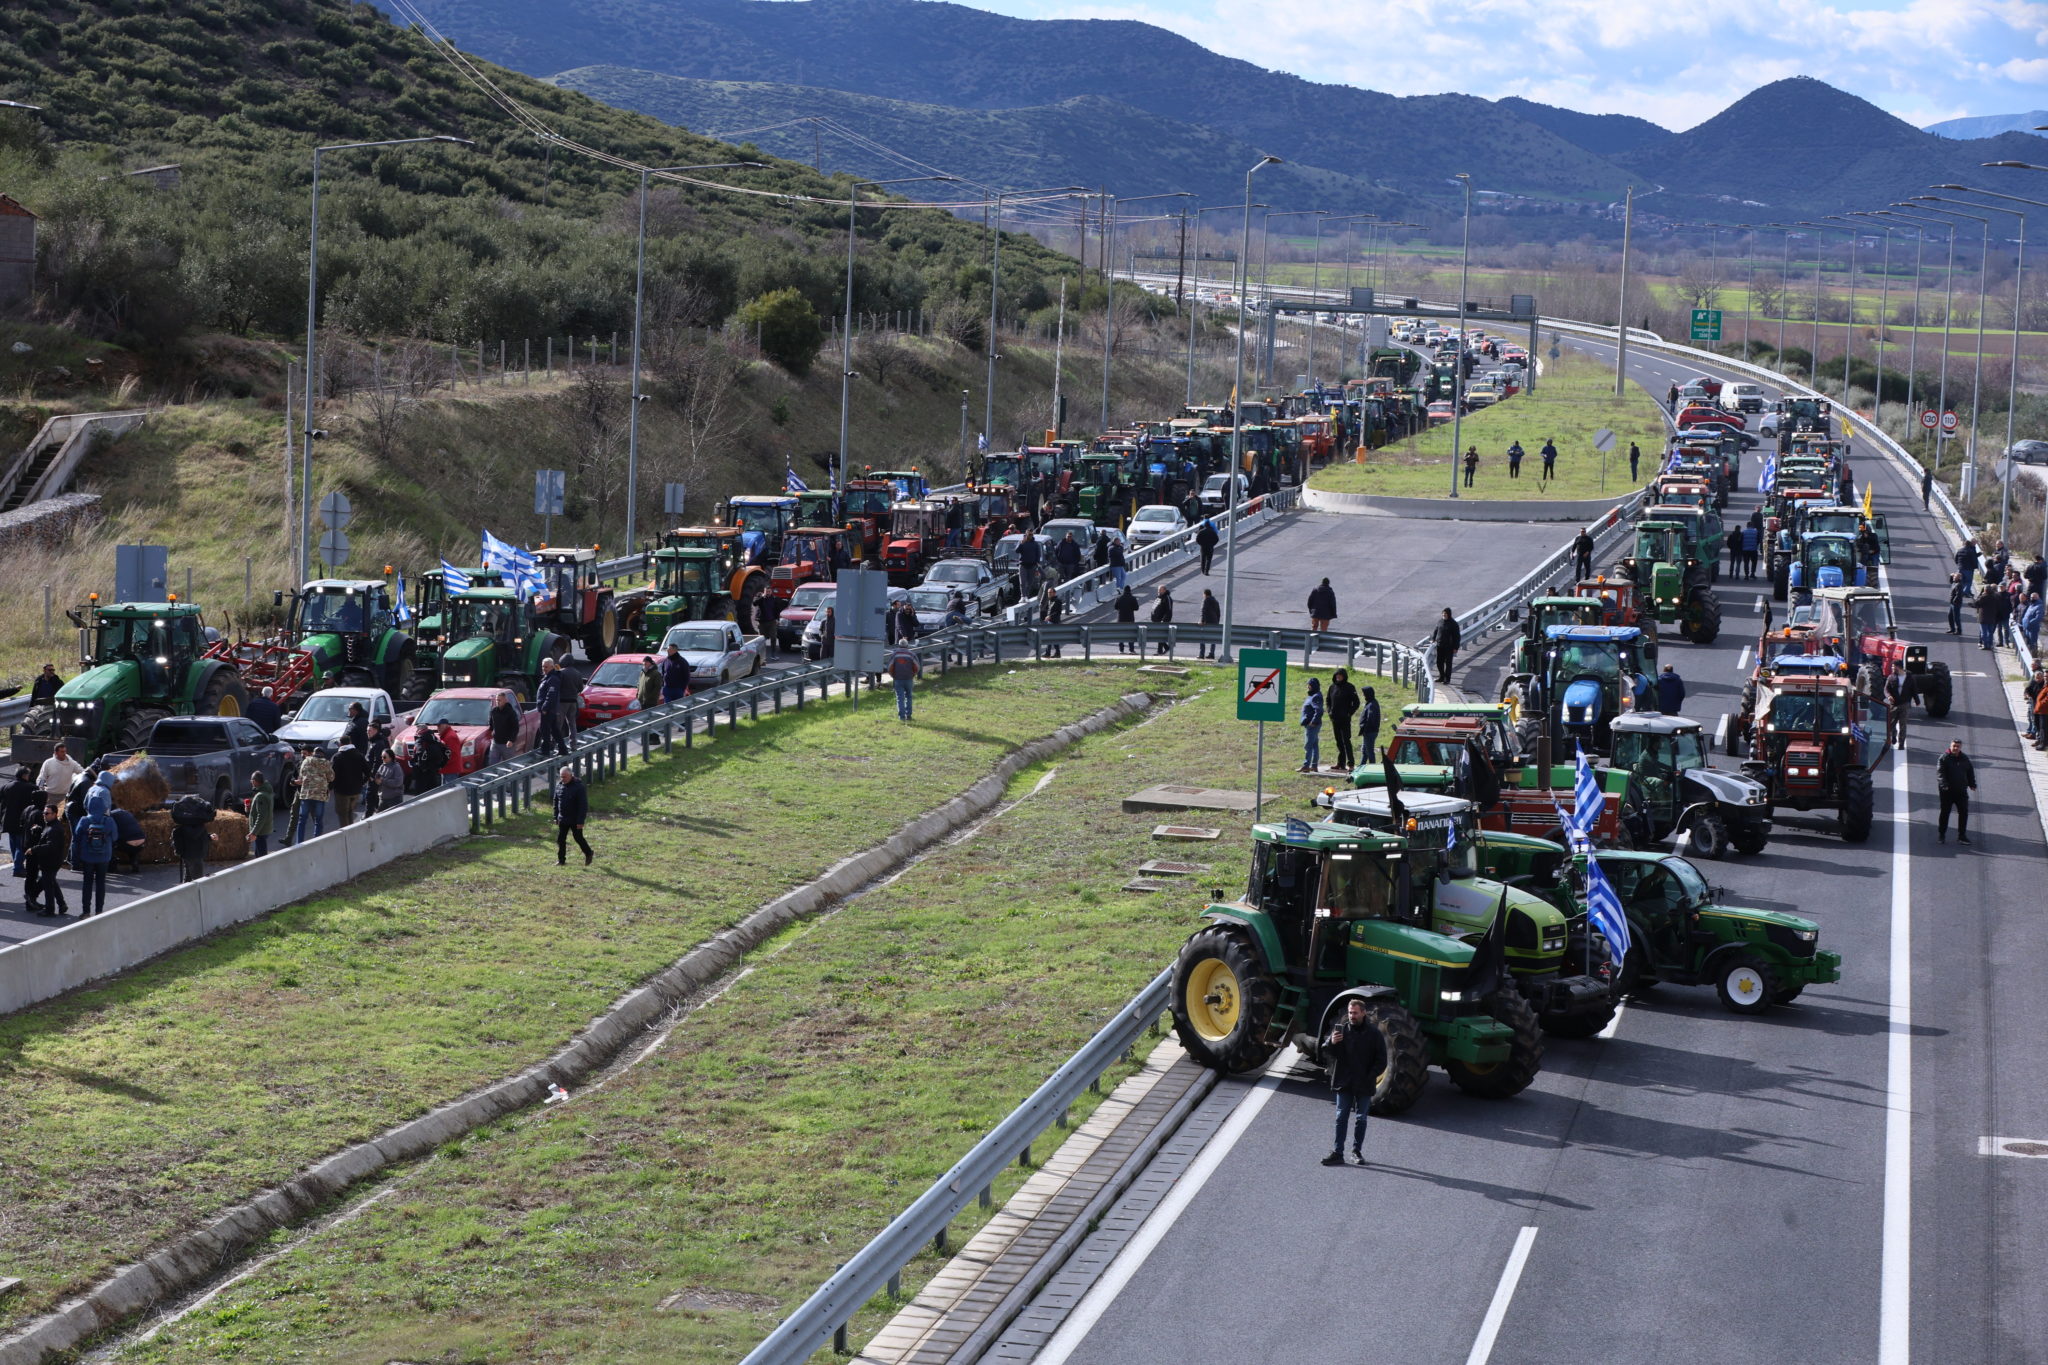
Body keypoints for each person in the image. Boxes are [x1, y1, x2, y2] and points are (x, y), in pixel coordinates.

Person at [1321, 996, 1388, 1167]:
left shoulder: (1374, 1034)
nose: (1352, 1016)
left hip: (1364, 1084)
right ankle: (1338, 1152)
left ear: (1364, 1013)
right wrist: (1332, 1042)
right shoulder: (1342, 1030)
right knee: (1341, 1117)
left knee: (1361, 1118)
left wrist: (1370, 1076)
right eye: (1350, 1013)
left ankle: (1356, 1152)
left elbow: (1382, 1061)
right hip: (1344, 1082)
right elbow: (1326, 1051)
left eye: (1355, 1013)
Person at [25, 805, 66, 916]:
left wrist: (34, 849)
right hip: (51, 860)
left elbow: (51, 846)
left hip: (51, 861)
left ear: (54, 814)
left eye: (47, 813)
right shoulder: (50, 825)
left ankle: (49, 909)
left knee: (48, 886)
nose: (44, 815)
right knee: (51, 882)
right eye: (44, 813)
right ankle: (62, 904)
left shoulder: (54, 829)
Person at [1935, 739, 1975, 844]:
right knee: (1945, 813)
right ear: (1950, 746)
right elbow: (1940, 774)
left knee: (1964, 812)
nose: (1956, 748)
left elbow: (1970, 771)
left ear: (1960, 747)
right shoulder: (1943, 758)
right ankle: (1941, 835)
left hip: (1961, 791)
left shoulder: (1964, 758)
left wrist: (1972, 784)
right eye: (1954, 746)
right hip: (1947, 792)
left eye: (1958, 746)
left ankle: (1962, 836)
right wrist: (1944, 785)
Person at [293, 744, 335, 844]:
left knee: (302, 820)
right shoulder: (326, 763)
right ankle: (317, 842)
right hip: (320, 796)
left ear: (314, 753)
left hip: (306, 794)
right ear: (323, 754)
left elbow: (301, 776)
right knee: (318, 820)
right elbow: (331, 778)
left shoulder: (306, 761)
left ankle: (299, 843)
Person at [554, 766, 592, 866]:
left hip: (575, 819)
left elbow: (583, 805)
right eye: (561, 776)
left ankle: (588, 853)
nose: (563, 779)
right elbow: (556, 802)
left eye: (565, 777)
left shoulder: (579, 787)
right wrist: (555, 816)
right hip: (563, 818)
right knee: (560, 839)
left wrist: (580, 821)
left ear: (571, 775)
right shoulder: (559, 786)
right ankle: (561, 860)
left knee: (578, 838)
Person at [170, 797, 214, 884]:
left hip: (187, 855)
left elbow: (180, 844)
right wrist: (209, 837)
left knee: (188, 877)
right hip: (198, 854)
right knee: (198, 879)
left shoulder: (179, 830)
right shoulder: (201, 828)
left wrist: (179, 852)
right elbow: (199, 838)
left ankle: (185, 889)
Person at [2, 765, 35, 877]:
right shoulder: (30, 788)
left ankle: (17, 864)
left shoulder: (7, 786)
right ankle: (18, 868)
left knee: (13, 844)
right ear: (24, 775)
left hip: (8, 819)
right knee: (21, 845)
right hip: (22, 820)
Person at [1326, 669, 1359, 772]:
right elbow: (1328, 700)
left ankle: (1351, 764)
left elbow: (1356, 702)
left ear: (1344, 676)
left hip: (1345, 719)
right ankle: (1341, 763)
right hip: (1335, 719)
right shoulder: (1332, 687)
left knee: (1346, 741)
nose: (1338, 677)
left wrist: (1349, 713)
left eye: (1340, 675)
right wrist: (1329, 712)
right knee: (1339, 741)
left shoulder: (1350, 687)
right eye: (1337, 675)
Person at [534, 658, 566, 757]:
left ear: (552, 667)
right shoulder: (548, 677)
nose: (544, 669)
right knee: (554, 730)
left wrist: (544, 708)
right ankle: (563, 749)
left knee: (545, 730)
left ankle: (545, 751)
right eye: (543, 666)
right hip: (549, 709)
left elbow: (551, 695)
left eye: (546, 667)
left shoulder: (553, 678)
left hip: (548, 710)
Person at [330, 740, 367, 827]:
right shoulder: (359, 755)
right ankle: (351, 832)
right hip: (356, 791)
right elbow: (368, 772)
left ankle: (346, 834)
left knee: (343, 815)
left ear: (341, 744)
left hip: (342, 792)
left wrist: (330, 787)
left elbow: (332, 775)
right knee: (350, 813)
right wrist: (361, 783)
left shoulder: (337, 757)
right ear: (350, 743)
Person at [887, 642, 924, 721]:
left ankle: (902, 717)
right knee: (909, 696)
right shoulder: (911, 654)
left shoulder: (895, 654)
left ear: (899, 645)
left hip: (898, 679)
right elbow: (917, 667)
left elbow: (889, 667)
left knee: (900, 698)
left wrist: (893, 675)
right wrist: (913, 674)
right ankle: (909, 715)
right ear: (907, 645)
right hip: (909, 679)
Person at [486, 693, 521, 767]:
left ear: (505, 700)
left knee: (510, 765)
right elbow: (491, 725)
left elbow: (515, 727)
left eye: (500, 700)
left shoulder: (511, 712)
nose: (498, 702)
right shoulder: (494, 711)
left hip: (507, 744)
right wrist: (492, 733)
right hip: (496, 743)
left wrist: (511, 740)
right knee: (492, 764)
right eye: (497, 700)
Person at [246, 770, 275, 858]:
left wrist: (254, 832)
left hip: (260, 831)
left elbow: (261, 816)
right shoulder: (267, 791)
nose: (251, 782)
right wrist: (250, 808)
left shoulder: (261, 796)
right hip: (263, 829)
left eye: (251, 781)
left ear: (255, 781)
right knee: (258, 855)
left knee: (261, 857)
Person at [1298, 677, 1324, 772]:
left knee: (1308, 746)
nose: (1308, 687)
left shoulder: (1316, 696)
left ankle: (1306, 766)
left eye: (1309, 685)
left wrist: (1313, 722)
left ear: (1313, 686)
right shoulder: (1313, 695)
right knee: (1314, 745)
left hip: (1312, 725)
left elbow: (1319, 710)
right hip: (1311, 724)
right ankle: (1313, 766)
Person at [1883, 667, 1913, 748]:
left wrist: (1916, 700)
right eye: (1892, 667)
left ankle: (1901, 744)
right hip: (1893, 704)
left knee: (1903, 725)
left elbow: (1913, 689)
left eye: (1894, 667)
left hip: (1904, 705)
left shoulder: (1908, 678)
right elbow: (1886, 689)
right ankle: (1893, 735)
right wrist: (1889, 696)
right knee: (1891, 723)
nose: (1893, 668)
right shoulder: (1891, 677)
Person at [1431, 608, 1461, 685]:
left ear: (1449, 614)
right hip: (1440, 645)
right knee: (1439, 662)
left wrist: (1456, 647)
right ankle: (1441, 676)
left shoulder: (1453, 624)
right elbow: (1436, 631)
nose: (1444, 615)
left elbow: (1457, 637)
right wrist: (1433, 639)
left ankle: (1447, 679)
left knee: (1448, 663)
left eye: (1445, 614)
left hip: (1449, 647)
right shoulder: (1440, 621)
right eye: (1443, 613)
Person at [1975, 581, 2003, 652]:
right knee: (1990, 632)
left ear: (1985, 590)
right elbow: (1999, 606)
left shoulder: (1983, 597)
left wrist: (1981, 595)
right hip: (1992, 617)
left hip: (1983, 617)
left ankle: (1985, 645)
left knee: (1984, 632)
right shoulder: (1995, 597)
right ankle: (1990, 645)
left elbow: (1976, 603)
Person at [1358, 685, 1382, 764]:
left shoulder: (1372, 704)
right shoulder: (1371, 703)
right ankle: (1361, 766)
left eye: (1364, 693)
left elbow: (1370, 718)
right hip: (1368, 731)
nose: (1363, 695)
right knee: (1365, 751)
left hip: (1370, 731)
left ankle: (1372, 766)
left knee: (1369, 751)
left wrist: (1365, 728)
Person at [1114, 583, 1141, 652]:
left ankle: (1121, 650)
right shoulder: (1133, 598)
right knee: (1131, 634)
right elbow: (1136, 608)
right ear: (1130, 590)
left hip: (1121, 619)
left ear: (1124, 591)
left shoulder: (1119, 598)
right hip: (1130, 619)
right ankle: (1131, 649)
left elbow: (1115, 607)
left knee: (1121, 634)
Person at [1150, 585, 1173, 655]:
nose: (1158, 591)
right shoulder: (1158, 597)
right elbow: (1154, 608)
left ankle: (1160, 650)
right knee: (1158, 635)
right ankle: (1165, 648)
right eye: (1158, 590)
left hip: (1162, 621)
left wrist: (1164, 620)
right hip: (1156, 620)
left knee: (1159, 635)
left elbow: (1169, 611)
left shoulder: (1167, 598)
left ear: (1164, 590)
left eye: (1160, 590)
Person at [1199, 588, 1221, 659]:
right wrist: (1217, 622)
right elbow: (1218, 613)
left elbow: (1203, 610)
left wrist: (1202, 621)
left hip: (1206, 622)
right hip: (1214, 622)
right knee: (1213, 638)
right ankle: (1212, 654)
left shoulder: (1205, 600)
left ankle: (1201, 654)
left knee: (1202, 637)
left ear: (1205, 594)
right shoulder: (1216, 601)